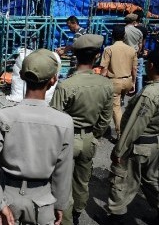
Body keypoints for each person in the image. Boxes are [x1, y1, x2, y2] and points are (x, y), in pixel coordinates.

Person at [0, 49, 73, 225]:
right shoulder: (64, 122)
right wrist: (60, 204)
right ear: (53, 80)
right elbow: (63, 170)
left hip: (7, 196)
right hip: (43, 199)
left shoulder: (3, 116)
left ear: (22, 76)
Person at [107, 49, 159, 225]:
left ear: (151, 65)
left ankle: (116, 218)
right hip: (158, 143)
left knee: (122, 180)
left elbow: (134, 126)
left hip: (140, 146)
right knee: (152, 179)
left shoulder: (150, 94)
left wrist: (119, 150)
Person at [50, 34, 113, 225]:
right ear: (96, 56)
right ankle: (77, 211)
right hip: (89, 137)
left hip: (67, 139)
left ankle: (66, 218)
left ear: (74, 56)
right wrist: (95, 136)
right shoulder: (106, 84)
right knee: (83, 178)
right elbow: (105, 117)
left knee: (63, 182)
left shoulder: (66, 85)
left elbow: (54, 118)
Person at [100, 25, 138, 141]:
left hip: (114, 82)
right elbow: (134, 69)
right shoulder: (132, 50)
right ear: (124, 36)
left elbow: (104, 70)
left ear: (112, 36)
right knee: (121, 104)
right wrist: (133, 82)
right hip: (127, 80)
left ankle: (121, 134)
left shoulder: (108, 49)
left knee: (115, 108)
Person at [124, 13, 144, 92]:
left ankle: (124, 91)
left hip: (123, 54)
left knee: (124, 72)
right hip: (134, 54)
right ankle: (133, 85)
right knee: (134, 70)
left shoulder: (122, 30)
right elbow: (140, 45)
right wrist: (138, 53)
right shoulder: (138, 32)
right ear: (134, 21)